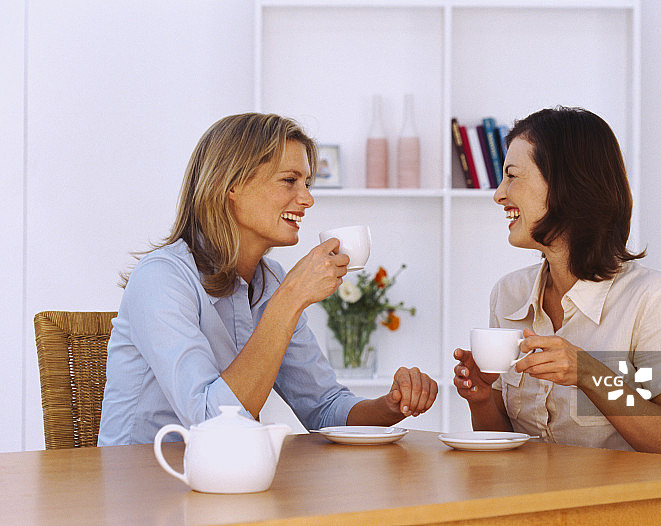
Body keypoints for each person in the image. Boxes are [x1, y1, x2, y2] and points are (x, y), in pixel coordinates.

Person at [98, 113, 437, 446]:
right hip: (142, 487)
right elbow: (213, 424)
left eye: (307, 184)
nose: (307, 199)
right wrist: (290, 299)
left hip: (225, 482)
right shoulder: (161, 279)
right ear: (230, 184)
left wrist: (391, 405)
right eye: (289, 181)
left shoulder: (269, 281)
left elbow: (324, 408)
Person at [453, 107, 661, 456]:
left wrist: (589, 373)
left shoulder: (654, 299)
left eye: (512, 176)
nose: (499, 194)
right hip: (528, 501)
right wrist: (481, 399)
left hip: (619, 505)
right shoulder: (508, 294)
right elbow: (507, 446)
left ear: (567, 186)